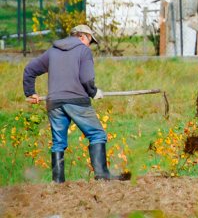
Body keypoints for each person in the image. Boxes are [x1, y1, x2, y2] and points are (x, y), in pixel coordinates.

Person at [23, 24, 127, 183]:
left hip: (54, 102)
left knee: (58, 142)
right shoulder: (83, 50)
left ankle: (58, 182)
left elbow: (30, 69)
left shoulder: (53, 51)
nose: (89, 45)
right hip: (76, 100)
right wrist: (94, 92)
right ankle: (102, 175)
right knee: (97, 134)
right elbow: (86, 78)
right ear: (83, 36)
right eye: (90, 41)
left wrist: (30, 92)